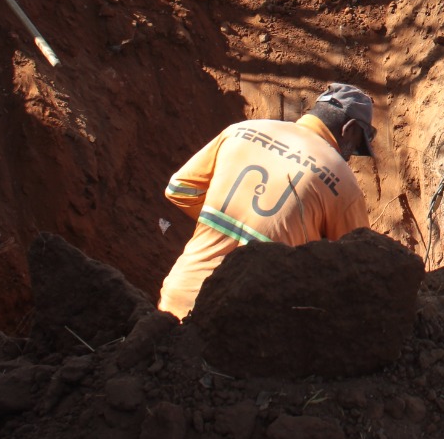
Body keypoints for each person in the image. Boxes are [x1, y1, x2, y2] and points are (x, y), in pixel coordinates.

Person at [156, 84, 376, 319]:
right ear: (349, 129)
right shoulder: (342, 181)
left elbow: (179, 189)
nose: (351, 156)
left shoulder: (240, 131)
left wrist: (226, 222)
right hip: (246, 318)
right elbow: (355, 263)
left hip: (179, 297)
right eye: (355, 147)